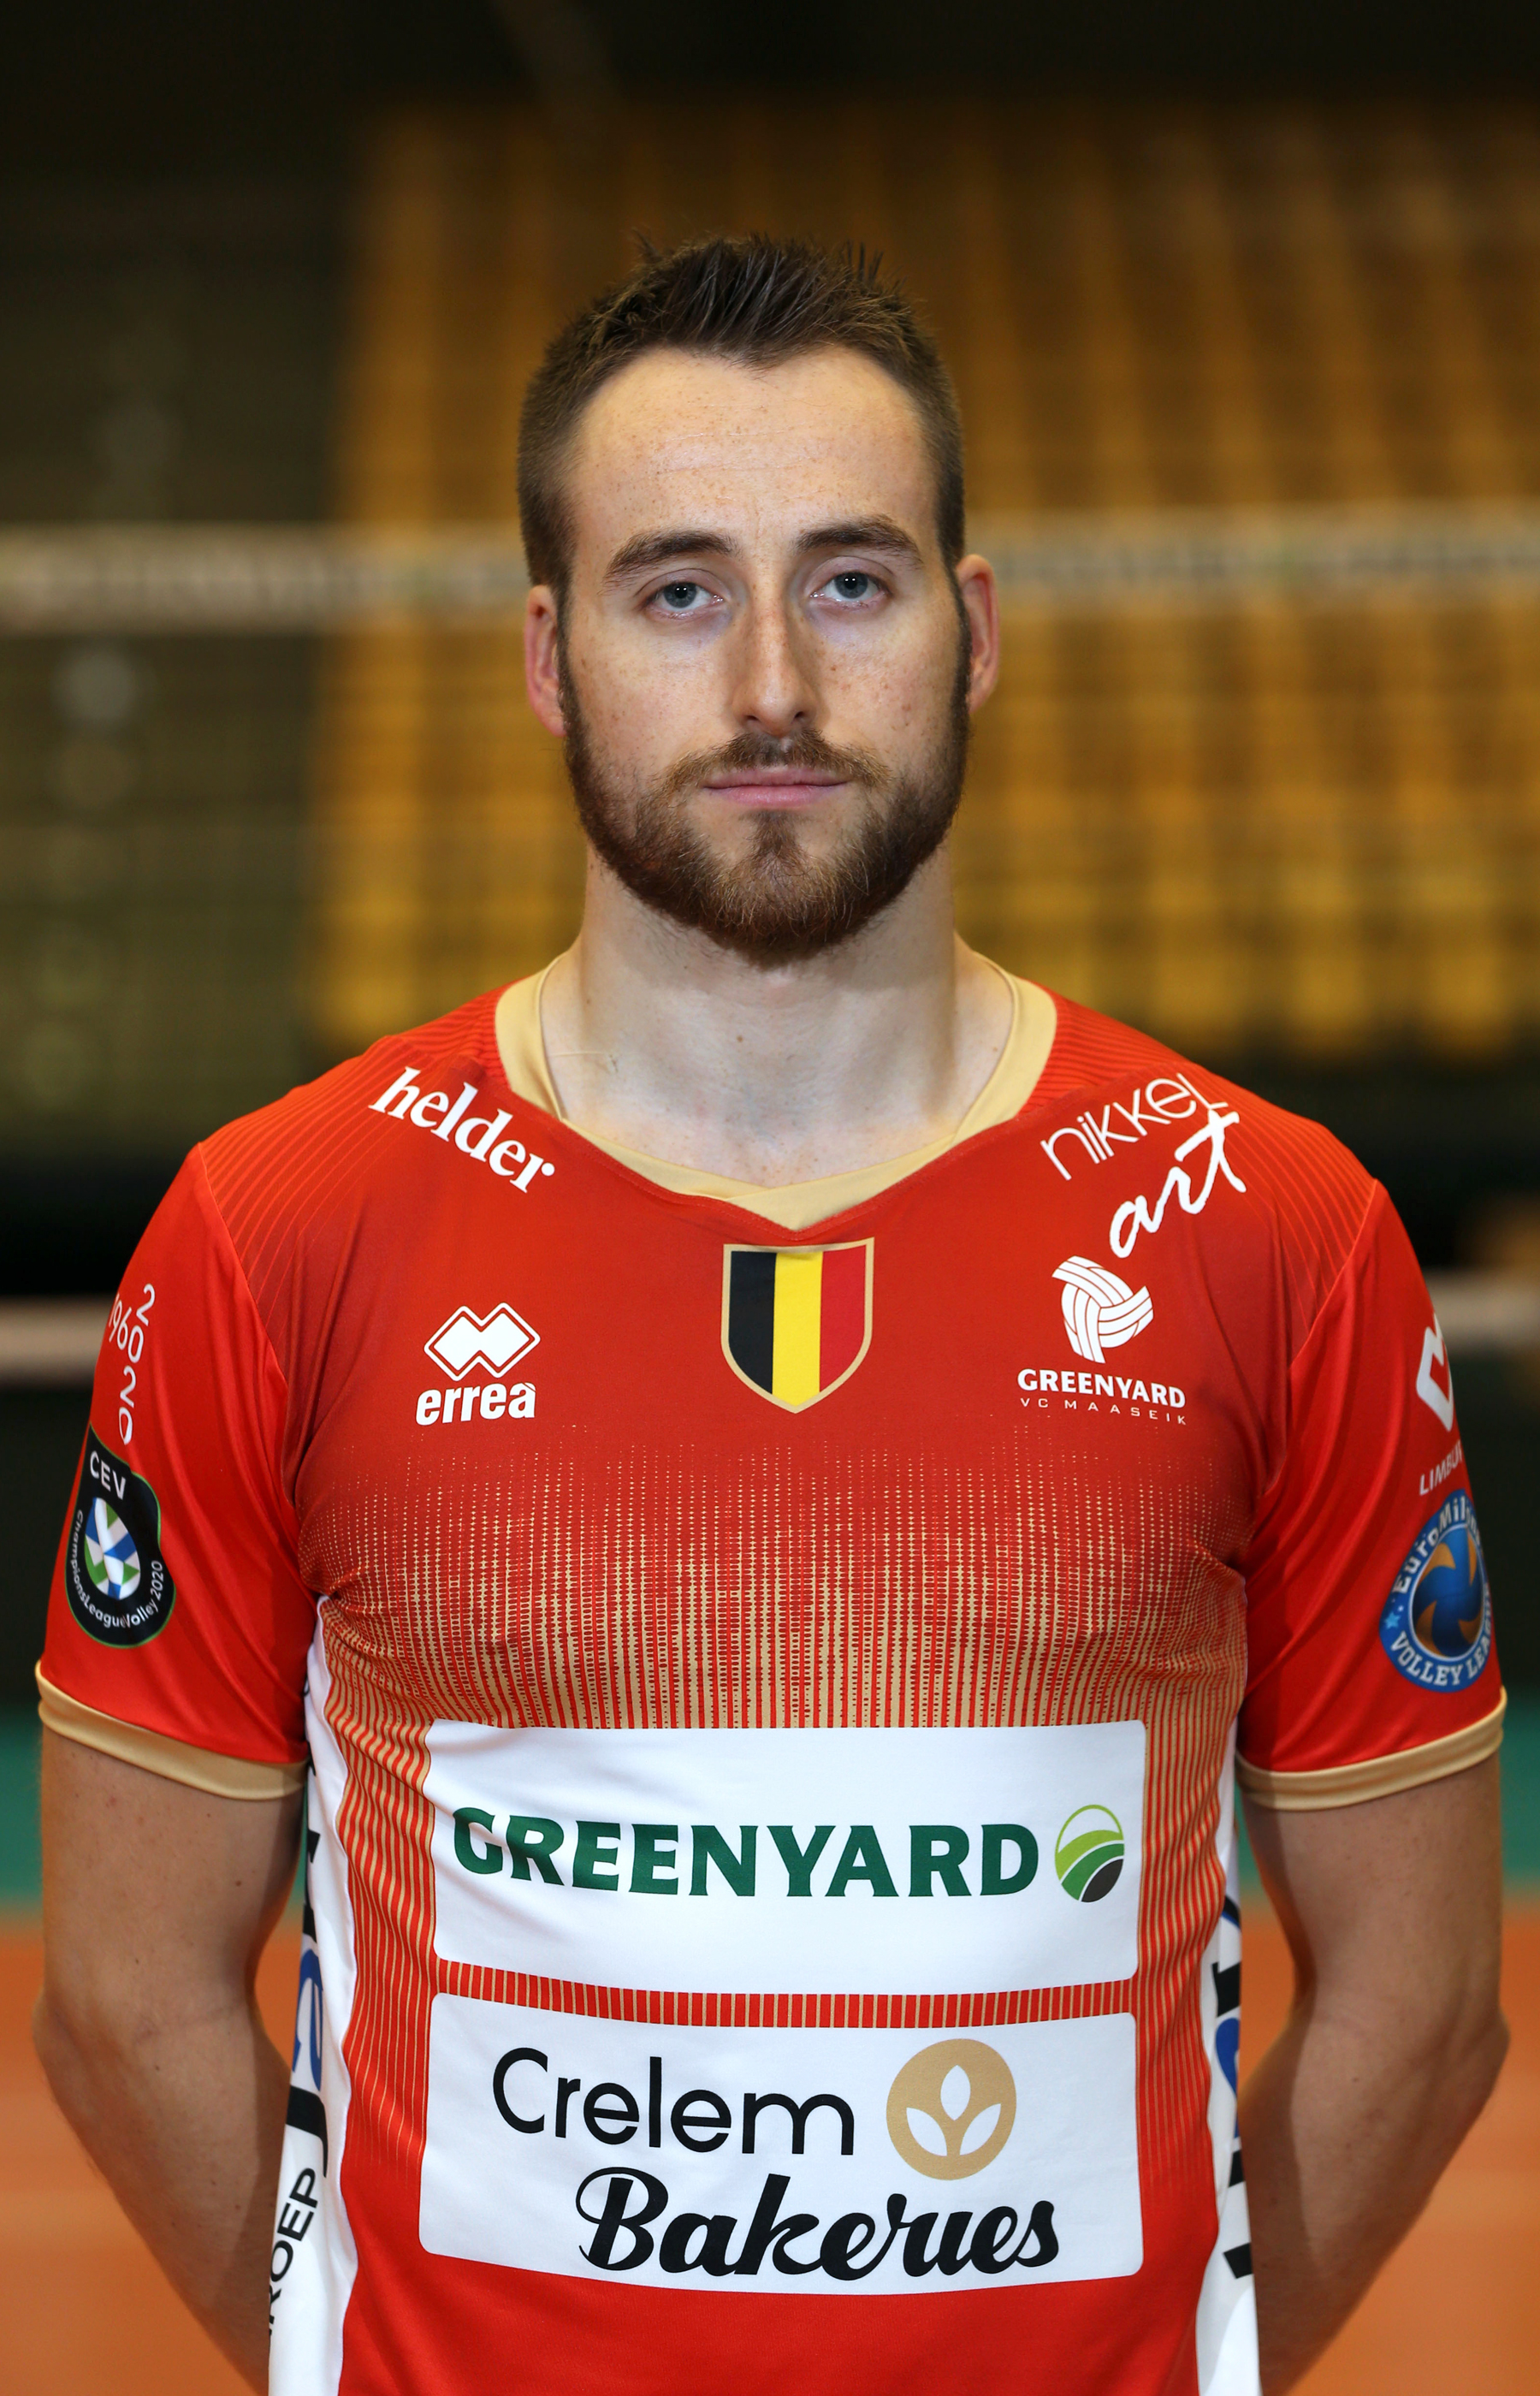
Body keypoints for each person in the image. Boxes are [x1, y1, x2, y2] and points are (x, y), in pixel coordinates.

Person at [34, 235, 1505, 2396]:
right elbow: (126, 1995)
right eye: (675, 592)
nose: (772, 690)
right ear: (548, 657)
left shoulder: (1272, 1229)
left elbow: (1423, 2002)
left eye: (851, 581)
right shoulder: (277, 1230)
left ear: (972, 632)